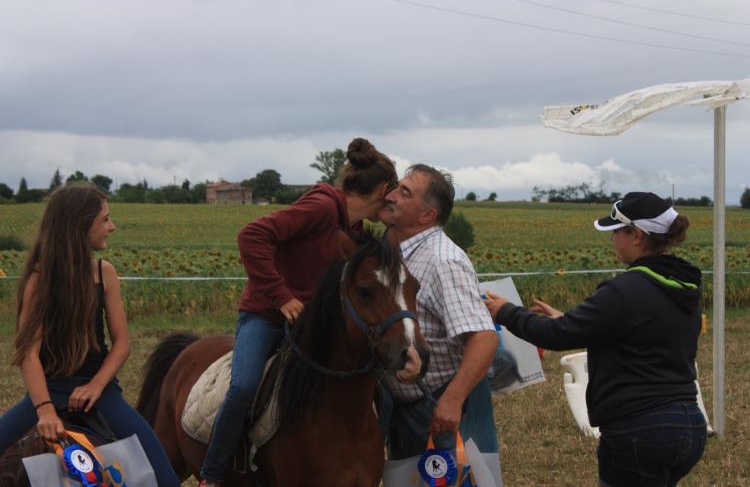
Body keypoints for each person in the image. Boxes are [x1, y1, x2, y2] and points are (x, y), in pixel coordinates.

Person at [199, 138, 399, 487]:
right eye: (394, 193)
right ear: (383, 189)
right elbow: (252, 236)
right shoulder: (322, 207)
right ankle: (212, 474)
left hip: (310, 327)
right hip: (267, 315)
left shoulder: (356, 231)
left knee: (378, 387)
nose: (395, 201)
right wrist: (281, 297)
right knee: (244, 386)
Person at [484, 192, 707, 487]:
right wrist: (567, 319)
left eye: (616, 232)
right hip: (688, 425)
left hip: (639, 430)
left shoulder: (626, 289)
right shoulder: (683, 287)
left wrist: (506, 312)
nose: (612, 239)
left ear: (637, 235)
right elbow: (637, 333)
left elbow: (556, 335)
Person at [0, 183, 180, 486]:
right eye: (105, 220)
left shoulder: (103, 271)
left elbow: (122, 343)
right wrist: (44, 410)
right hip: (48, 391)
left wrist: (96, 385)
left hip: (102, 394)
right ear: (80, 227)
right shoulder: (37, 280)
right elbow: (29, 352)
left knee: (165, 477)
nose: (112, 227)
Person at [378, 164, 500, 462]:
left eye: (403, 192)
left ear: (427, 215)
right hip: (405, 407)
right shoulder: (395, 250)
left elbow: (484, 338)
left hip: (437, 406)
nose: (390, 196)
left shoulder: (443, 261)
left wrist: (452, 401)